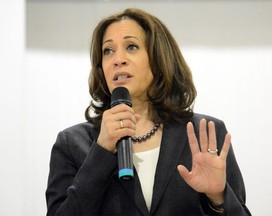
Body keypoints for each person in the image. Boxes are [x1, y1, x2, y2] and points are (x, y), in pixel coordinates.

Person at [46, 8, 251, 216]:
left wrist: (218, 197)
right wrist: (101, 152)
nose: (118, 59)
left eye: (131, 46)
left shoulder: (205, 134)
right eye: (108, 51)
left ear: (158, 59)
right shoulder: (71, 144)